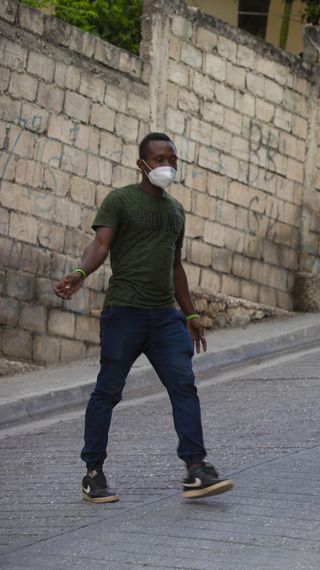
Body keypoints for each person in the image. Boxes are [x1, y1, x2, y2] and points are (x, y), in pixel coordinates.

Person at [53, 133, 233, 503]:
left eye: (172, 158)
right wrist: (80, 273)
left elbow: (176, 265)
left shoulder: (176, 211)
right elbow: (100, 245)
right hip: (125, 314)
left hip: (166, 317)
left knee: (184, 385)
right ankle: (93, 473)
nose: (167, 165)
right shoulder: (120, 200)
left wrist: (191, 312)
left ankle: (196, 468)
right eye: (159, 158)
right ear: (142, 164)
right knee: (108, 391)